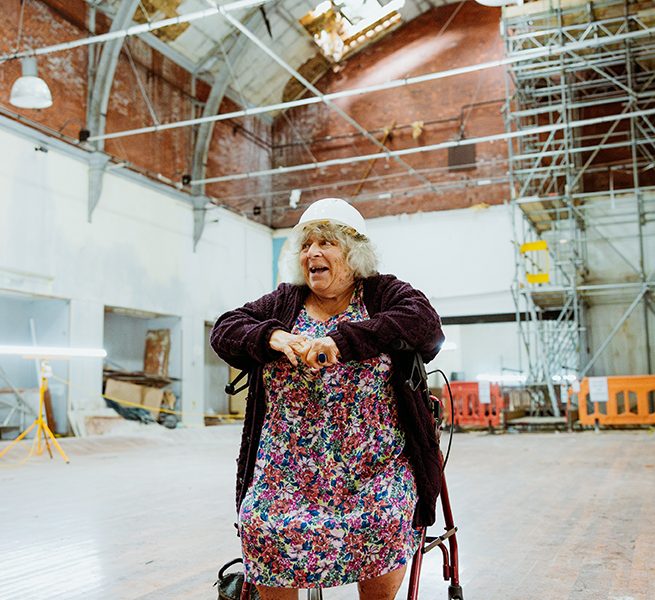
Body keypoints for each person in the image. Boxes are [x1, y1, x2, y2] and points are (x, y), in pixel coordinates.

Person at [211, 198, 445, 600]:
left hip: (375, 465)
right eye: (305, 245)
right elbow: (225, 330)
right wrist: (274, 336)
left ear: (353, 254)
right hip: (287, 470)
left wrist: (342, 340)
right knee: (261, 522)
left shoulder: (383, 293)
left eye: (326, 243)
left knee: (385, 518)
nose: (312, 253)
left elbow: (425, 325)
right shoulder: (284, 302)